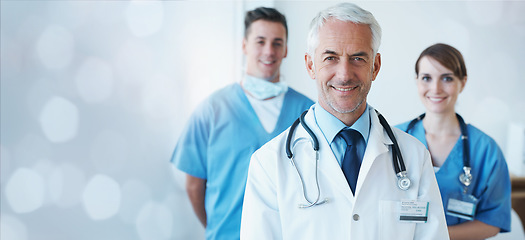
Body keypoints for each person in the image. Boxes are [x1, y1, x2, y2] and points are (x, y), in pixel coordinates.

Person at [240, 3, 449, 239]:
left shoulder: (414, 157)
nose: (344, 74)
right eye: (330, 57)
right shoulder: (268, 164)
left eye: (358, 58)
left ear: (375, 66)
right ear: (311, 65)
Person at [171, 7, 313, 240]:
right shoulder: (211, 110)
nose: (269, 51)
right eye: (260, 41)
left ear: (286, 49)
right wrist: (222, 229)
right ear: (244, 45)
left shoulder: (307, 114)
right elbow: (193, 186)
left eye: (277, 43)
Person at [396, 43, 511, 239]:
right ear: (417, 81)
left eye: (447, 78)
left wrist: (435, 236)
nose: (436, 88)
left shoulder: (485, 149)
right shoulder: (392, 139)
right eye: (426, 78)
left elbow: (493, 221)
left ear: (463, 82)